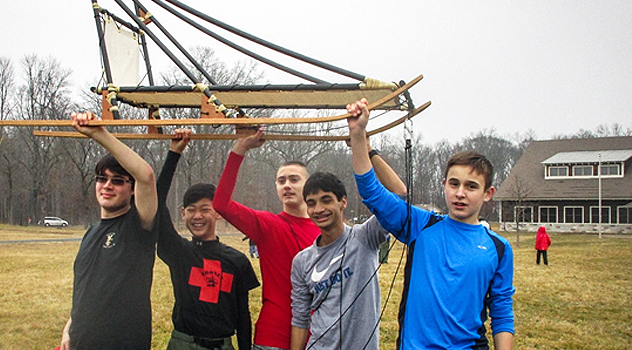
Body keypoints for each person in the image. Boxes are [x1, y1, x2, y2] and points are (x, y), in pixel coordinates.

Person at [347, 98, 516, 350]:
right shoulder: (420, 225)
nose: (460, 193)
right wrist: (358, 135)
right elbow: (372, 192)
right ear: (444, 185)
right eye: (454, 183)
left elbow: (501, 311)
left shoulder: (499, 248)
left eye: (471, 186)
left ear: (488, 193)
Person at [212, 128, 319, 350]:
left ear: (308, 185)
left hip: (319, 335)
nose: (287, 185)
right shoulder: (267, 225)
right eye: (281, 181)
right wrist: (240, 149)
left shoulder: (325, 230)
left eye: (294, 179)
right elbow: (221, 203)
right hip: (273, 337)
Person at [59, 112, 159, 350]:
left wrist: (99, 133)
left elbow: (146, 176)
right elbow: (87, 289)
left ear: (132, 189)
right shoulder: (91, 233)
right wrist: (70, 326)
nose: (107, 186)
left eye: (117, 180)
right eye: (101, 179)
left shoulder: (138, 227)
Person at [156, 129, 260, 350]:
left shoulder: (237, 261)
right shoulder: (178, 252)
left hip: (222, 345)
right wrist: (173, 154)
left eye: (205, 209)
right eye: (191, 210)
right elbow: (155, 204)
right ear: (183, 213)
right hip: (183, 343)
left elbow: (243, 315)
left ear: (218, 212)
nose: (198, 216)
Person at [289, 172, 390, 350]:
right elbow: (300, 317)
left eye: (326, 200)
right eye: (311, 203)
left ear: (343, 202)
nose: (318, 209)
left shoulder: (365, 238)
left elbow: (398, 196)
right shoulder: (302, 261)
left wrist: (367, 151)